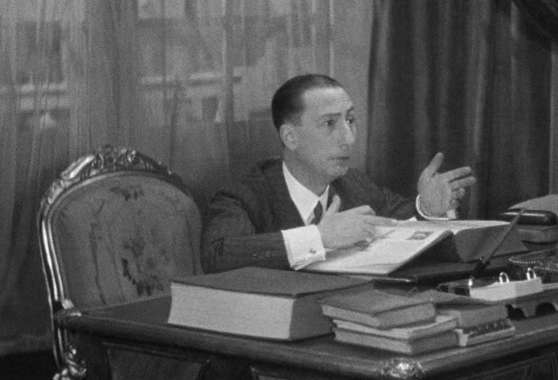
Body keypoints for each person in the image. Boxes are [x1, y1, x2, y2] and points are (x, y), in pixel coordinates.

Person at [201, 74, 477, 272]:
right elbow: (219, 255)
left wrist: (427, 207)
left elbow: (401, 220)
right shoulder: (244, 196)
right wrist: (318, 238)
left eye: (350, 120)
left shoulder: (355, 186)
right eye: (329, 124)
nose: (349, 138)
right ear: (290, 137)